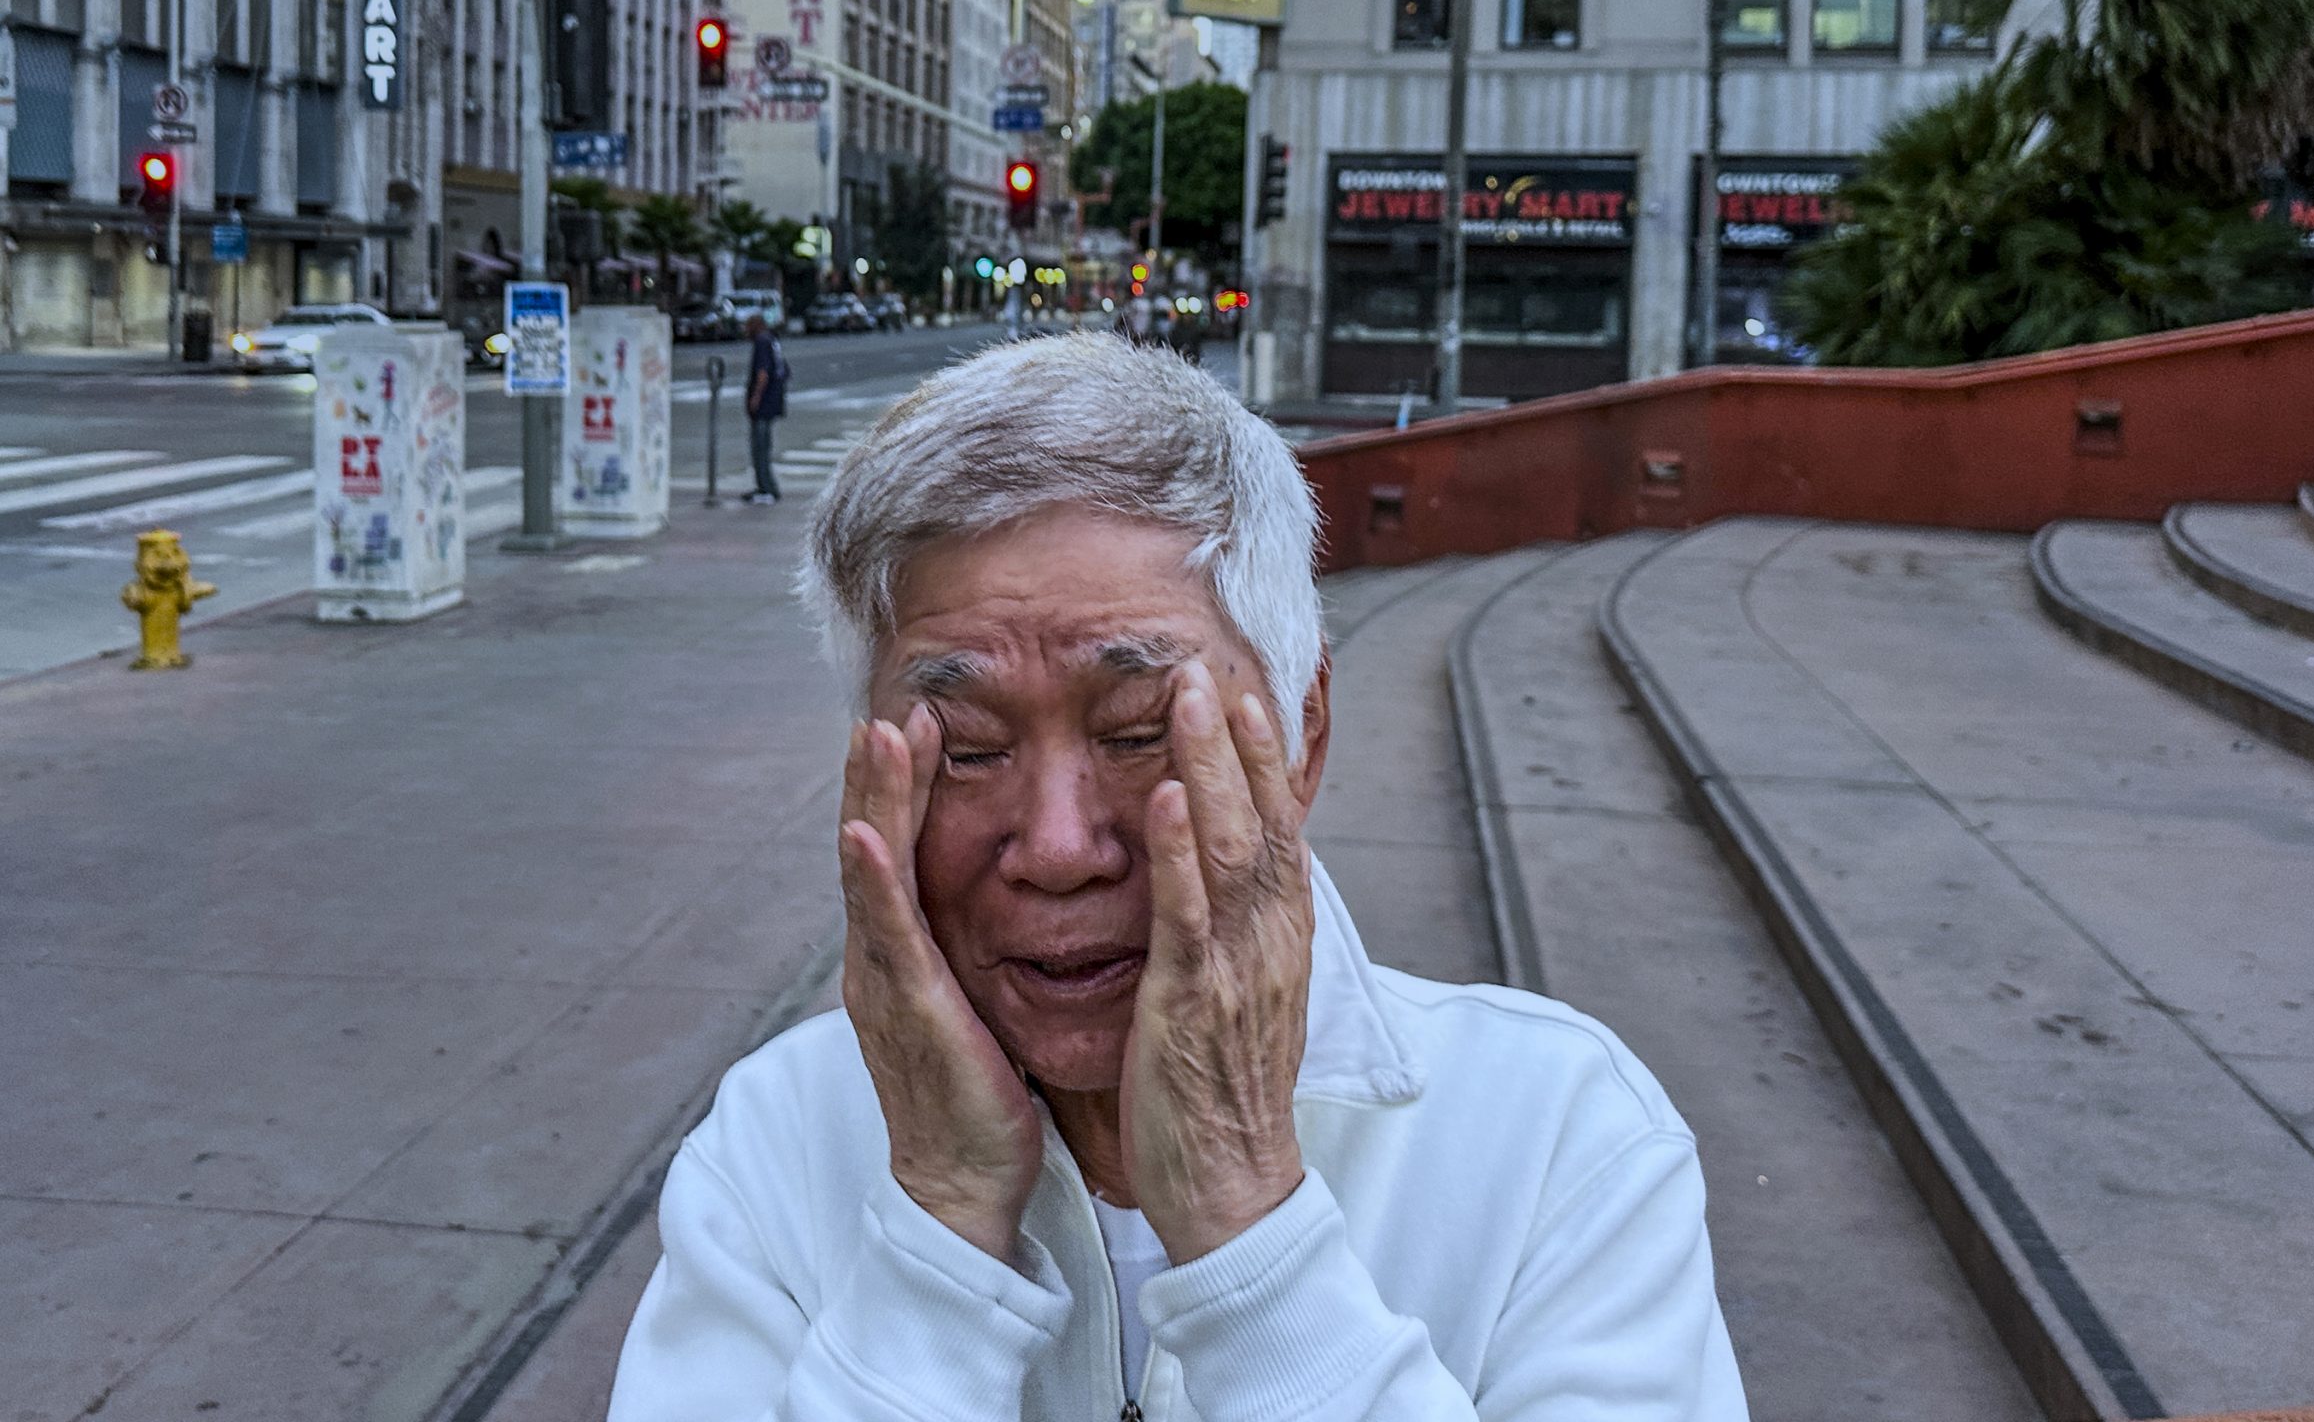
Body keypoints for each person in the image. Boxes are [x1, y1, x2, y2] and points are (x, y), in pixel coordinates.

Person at [609, 334, 1749, 1421]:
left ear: (1300, 736)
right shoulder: (780, 1139)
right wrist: (940, 1223)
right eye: (968, 749)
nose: (1058, 849)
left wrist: (1249, 1230)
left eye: (1139, 732)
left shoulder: (1559, 1140)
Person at [742, 312, 788, 505]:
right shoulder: (772, 340)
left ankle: (766, 488)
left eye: (747, 327)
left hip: (764, 404)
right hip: (773, 401)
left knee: (759, 448)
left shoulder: (761, 342)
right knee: (764, 447)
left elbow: (763, 373)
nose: (745, 331)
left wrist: (756, 397)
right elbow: (784, 370)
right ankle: (767, 486)